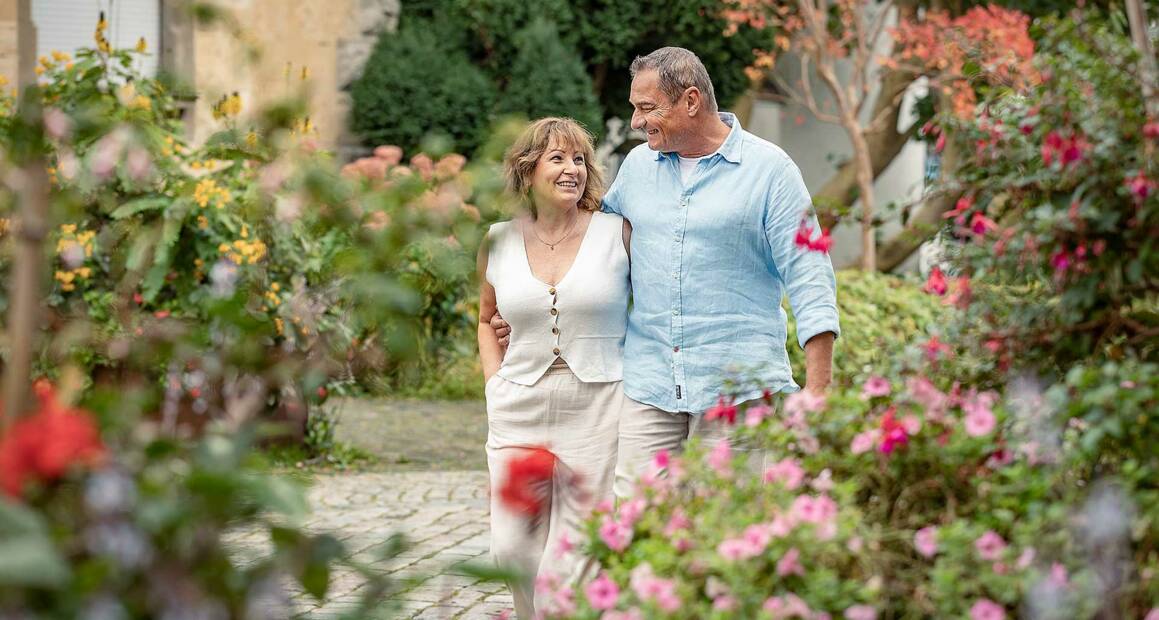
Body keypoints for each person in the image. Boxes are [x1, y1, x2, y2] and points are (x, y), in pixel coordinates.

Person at [492, 47, 840, 499]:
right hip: (650, 386)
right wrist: (531, 312)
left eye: (646, 108)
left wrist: (818, 389)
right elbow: (591, 246)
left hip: (736, 389)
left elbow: (810, 278)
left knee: (723, 523)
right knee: (637, 518)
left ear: (691, 101)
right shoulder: (637, 168)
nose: (636, 121)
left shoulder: (770, 171)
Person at [477, 117, 631, 618]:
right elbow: (485, 320)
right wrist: (494, 383)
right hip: (517, 409)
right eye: (558, 158)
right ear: (528, 170)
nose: (573, 169)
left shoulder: (617, 233)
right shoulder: (497, 240)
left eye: (580, 159)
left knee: (573, 558)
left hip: (598, 409)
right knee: (512, 550)